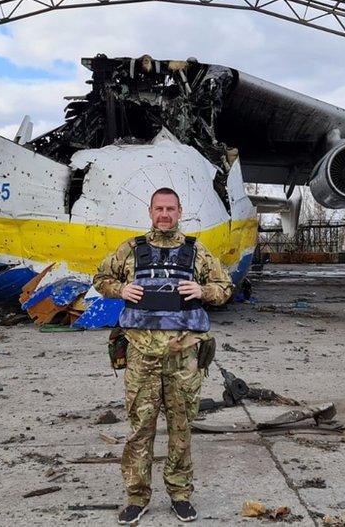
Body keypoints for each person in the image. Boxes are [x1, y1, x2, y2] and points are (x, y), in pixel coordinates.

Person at [93, 187, 233, 524]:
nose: (165, 215)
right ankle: (136, 496)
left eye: (171, 209)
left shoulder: (196, 252)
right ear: (150, 211)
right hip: (141, 355)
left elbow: (225, 287)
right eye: (159, 209)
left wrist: (203, 290)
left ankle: (180, 494)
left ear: (180, 211)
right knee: (140, 428)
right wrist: (120, 289)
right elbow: (100, 277)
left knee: (181, 428)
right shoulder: (131, 250)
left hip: (184, 356)